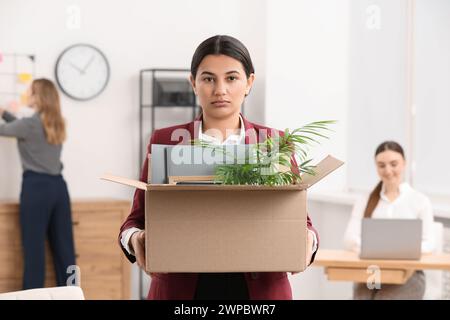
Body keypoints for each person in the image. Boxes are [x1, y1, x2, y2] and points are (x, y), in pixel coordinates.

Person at [119, 35, 319, 300]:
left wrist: (308, 238)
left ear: (249, 83)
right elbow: (136, 219)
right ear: (193, 83)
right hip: (185, 289)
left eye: (232, 78)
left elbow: (300, 222)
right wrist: (135, 238)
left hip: (257, 290)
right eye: (208, 78)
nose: (220, 89)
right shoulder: (165, 141)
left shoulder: (275, 144)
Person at [0, 79, 76, 289]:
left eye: (30, 92)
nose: (27, 94)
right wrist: (4, 113)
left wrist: (3, 115)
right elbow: (20, 126)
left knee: (34, 252)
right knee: (65, 250)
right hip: (59, 188)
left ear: (38, 97)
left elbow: (5, 130)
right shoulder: (57, 122)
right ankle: (72, 293)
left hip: (36, 189)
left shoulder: (29, 124)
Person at [343, 141, 435, 300]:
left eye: (394, 164)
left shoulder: (420, 201)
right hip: (373, 272)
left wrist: (392, 250)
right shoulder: (364, 201)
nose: (388, 171)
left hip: (408, 273)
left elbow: (429, 243)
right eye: (381, 165)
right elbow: (349, 239)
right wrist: (377, 250)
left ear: (404, 163)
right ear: (376, 166)